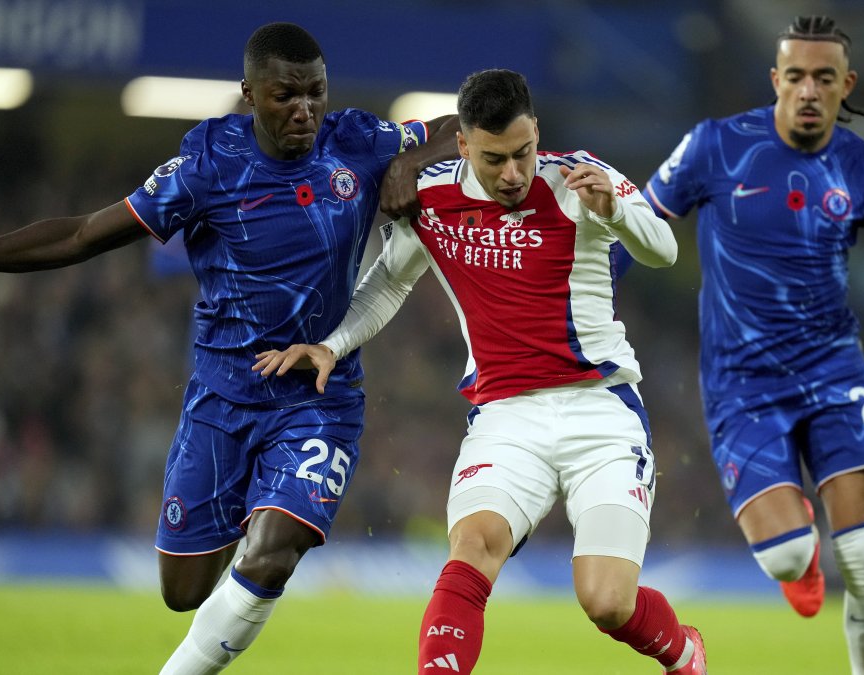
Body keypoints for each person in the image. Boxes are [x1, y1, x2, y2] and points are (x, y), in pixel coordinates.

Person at [0, 22, 459, 674]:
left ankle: (272, 527)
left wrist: (408, 158)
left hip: (319, 394)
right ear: (249, 94)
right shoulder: (208, 165)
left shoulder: (355, 140)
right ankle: (256, 512)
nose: (305, 110)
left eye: (315, 93)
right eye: (286, 95)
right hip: (221, 396)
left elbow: (465, 121)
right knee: (183, 591)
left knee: (271, 551)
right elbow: (83, 234)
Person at [255, 68, 708, 674]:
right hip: (505, 418)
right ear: (464, 145)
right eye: (495, 159)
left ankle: (682, 649)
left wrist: (617, 212)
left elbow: (664, 248)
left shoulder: (579, 176)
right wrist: (334, 344)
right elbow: (389, 282)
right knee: (472, 550)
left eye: (523, 153)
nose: (514, 174)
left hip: (601, 412)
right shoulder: (435, 197)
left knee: (606, 602)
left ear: (536, 133)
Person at [642, 15, 864, 675]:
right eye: (798, 76)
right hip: (742, 384)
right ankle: (799, 557)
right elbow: (639, 226)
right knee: (784, 556)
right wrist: (587, 308)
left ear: (847, 85)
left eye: (825, 78)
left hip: (835, 372)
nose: (809, 90)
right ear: (776, 78)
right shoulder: (715, 146)